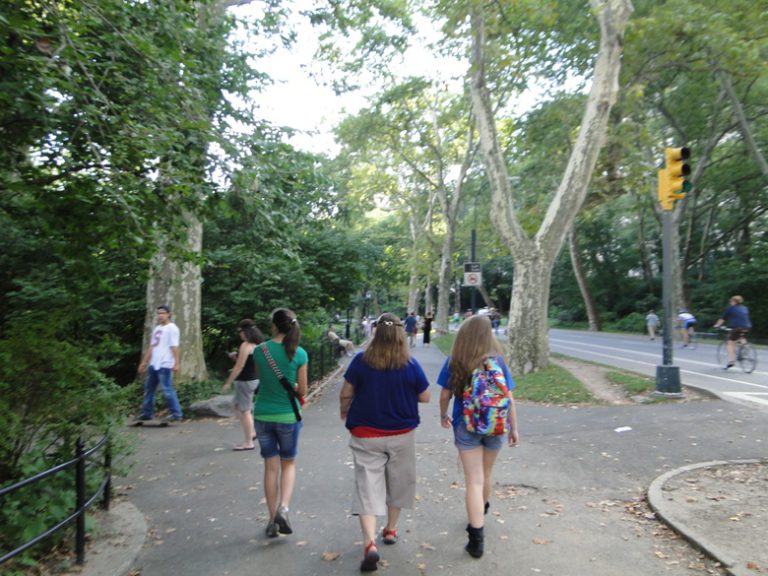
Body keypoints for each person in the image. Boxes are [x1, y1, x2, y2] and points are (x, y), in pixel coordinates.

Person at [339, 313, 431, 572]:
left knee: (367, 486)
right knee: (399, 482)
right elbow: (425, 396)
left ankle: (369, 543)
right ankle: (390, 529)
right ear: (401, 334)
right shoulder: (410, 365)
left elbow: (346, 392)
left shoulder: (361, 362)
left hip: (366, 433)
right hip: (402, 434)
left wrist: (344, 408)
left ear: (375, 333)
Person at [437, 315, 519, 559]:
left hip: (466, 425)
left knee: (473, 480)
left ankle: (476, 538)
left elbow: (444, 394)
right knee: (486, 475)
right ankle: (479, 513)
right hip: (496, 426)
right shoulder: (498, 361)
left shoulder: (456, 360)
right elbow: (510, 398)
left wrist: (443, 415)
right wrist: (514, 427)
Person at [252, 308, 308, 538]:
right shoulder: (300, 353)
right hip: (288, 417)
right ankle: (283, 509)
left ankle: (271, 519)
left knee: (270, 466)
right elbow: (303, 390)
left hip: (263, 414)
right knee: (288, 464)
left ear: (274, 325)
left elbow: (263, 380)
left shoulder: (259, 350)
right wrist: (293, 386)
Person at [221, 319, 264, 451]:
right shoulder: (258, 345)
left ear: (245, 332)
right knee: (236, 407)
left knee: (244, 411)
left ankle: (248, 441)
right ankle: (251, 432)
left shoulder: (246, 345)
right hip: (253, 379)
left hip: (245, 381)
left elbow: (239, 366)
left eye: (240, 331)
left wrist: (228, 382)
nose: (239, 334)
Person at [135, 304, 182, 424]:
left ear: (169, 314)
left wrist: (176, 363)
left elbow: (174, 347)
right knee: (149, 388)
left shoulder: (172, 328)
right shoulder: (157, 329)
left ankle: (176, 413)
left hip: (165, 363)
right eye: (159, 313)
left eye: (163, 313)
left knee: (167, 389)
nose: (160, 316)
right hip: (154, 363)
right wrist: (144, 362)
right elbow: (152, 346)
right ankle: (147, 413)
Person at [714, 295, 752, 369]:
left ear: (734, 302)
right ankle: (746, 347)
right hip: (747, 326)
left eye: (731, 301)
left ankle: (731, 361)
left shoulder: (730, 308)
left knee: (730, 343)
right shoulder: (745, 308)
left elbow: (723, 319)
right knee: (740, 337)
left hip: (737, 327)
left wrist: (717, 325)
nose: (730, 303)